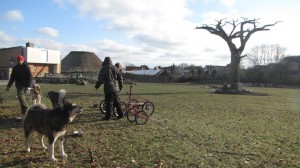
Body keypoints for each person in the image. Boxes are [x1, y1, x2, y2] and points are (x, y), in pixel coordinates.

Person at [6, 55, 33, 120]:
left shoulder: (26, 67)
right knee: (21, 98)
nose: (19, 61)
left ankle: (28, 110)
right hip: (18, 85)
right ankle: (24, 113)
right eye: (18, 60)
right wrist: (8, 86)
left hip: (25, 85)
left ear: (23, 60)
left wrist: (28, 86)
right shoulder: (15, 68)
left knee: (20, 96)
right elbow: (12, 78)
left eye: (20, 60)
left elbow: (30, 77)